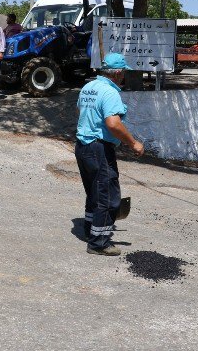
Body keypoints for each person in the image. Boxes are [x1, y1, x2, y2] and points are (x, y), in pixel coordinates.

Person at [75, 53, 145, 256]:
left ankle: (91, 230)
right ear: (117, 72)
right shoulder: (109, 92)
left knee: (94, 192)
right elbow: (113, 123)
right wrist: (133, 143)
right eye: (123, 72)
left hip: (83, 146)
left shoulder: (88, 88)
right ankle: (99, 243)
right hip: (98, 148)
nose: (124, 76)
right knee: (108, 196)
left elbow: (80, 113)